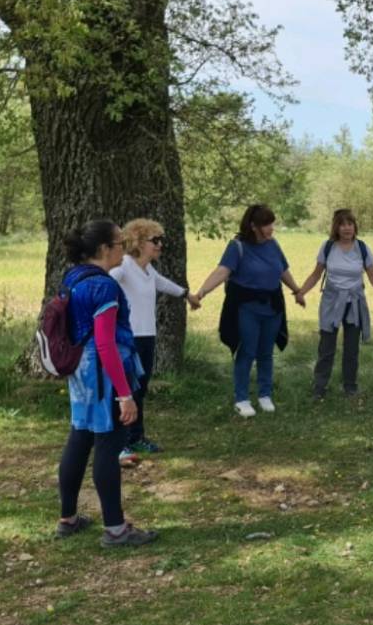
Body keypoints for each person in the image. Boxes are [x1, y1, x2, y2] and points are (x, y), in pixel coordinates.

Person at [56, 219, 158, 547]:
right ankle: (115, 530)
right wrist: (125, 394)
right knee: (108, 444)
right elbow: (105, 343)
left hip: (80, 374)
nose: (123, 250)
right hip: (104, 375)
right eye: (119, 244)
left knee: (80, 437)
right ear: (103, 249)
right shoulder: (104, 286)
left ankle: (68, 519)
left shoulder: (73, 277)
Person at [194, 204, 306, 417]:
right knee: (247, 351)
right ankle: (242, 398)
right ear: (253, 226)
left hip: (272, 306)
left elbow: (282, 270)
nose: (271, 228)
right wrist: (201, 293)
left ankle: (265, 395)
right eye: (266, 224)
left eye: (272, 223)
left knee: (266, 352)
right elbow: (222, 272)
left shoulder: (273, 245)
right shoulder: (237, 246)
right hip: (247, 308)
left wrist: (297, 291)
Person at [108, 218, 201, 465]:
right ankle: (120, 442)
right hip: (129, 339)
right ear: (139, 242)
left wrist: (187, 295)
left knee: (141, 388)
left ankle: (136, 437)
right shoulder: (125, 265)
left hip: (147, 336)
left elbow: (163, 284)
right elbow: (109, 279)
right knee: (126, 390)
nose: (160, 245)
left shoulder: (148, 270)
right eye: (155, 240)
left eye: (161, 240)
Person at [296, 209, 373, 400]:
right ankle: (319, 387)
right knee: (326, 348)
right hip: (331, 302)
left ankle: (350, 387)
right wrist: (301, 292)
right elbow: (315, 275)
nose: (347, 228)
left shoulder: (362, 248)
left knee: (351, 349)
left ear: (354, 226)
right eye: (342, 224)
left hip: (354, 303)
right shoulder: (328, 247)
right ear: (336, 227)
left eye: (350, 224)